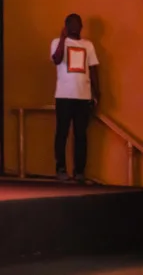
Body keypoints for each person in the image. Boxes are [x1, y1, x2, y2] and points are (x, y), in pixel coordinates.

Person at [50, 13, 99, 183]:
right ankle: (61, 169)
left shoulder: (88, 45)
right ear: (65, 25)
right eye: (71, 23)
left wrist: (97, 94)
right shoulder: (57, 42)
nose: (75, 26)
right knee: (62, 133)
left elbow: (93, 70)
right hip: (64, 96)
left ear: (81, 27)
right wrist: (63, 38)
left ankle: (79, 171)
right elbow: (56, 60)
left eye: (78, 23)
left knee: (81, 135)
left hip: (83, 96)